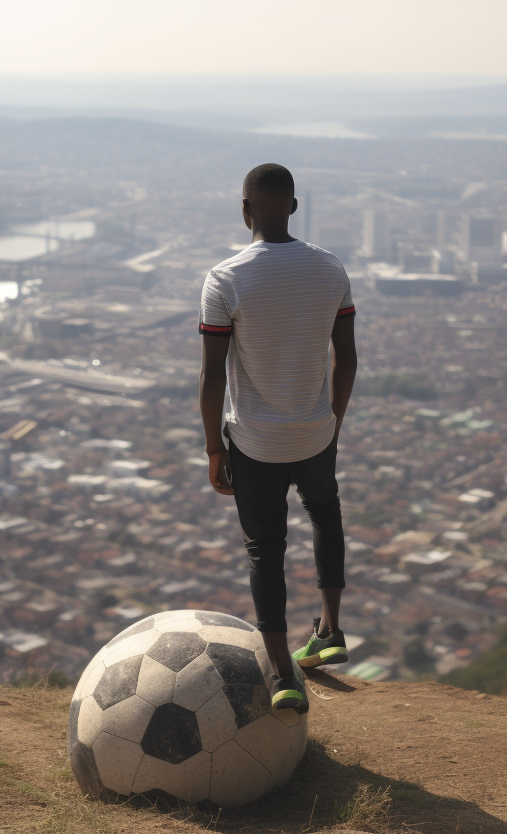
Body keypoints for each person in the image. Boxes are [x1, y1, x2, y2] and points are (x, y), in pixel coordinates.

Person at [198, 163, 358, 715]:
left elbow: (212, 375)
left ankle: (282, 675)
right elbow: (348, 357)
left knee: (265, 550)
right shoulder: (330, 268)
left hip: (255, 440)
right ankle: (332, 630)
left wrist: (214, 447)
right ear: (293, 206)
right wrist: (332, 418)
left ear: (245, 211)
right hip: (316, 430)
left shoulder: (225, 279)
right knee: (325, 512)